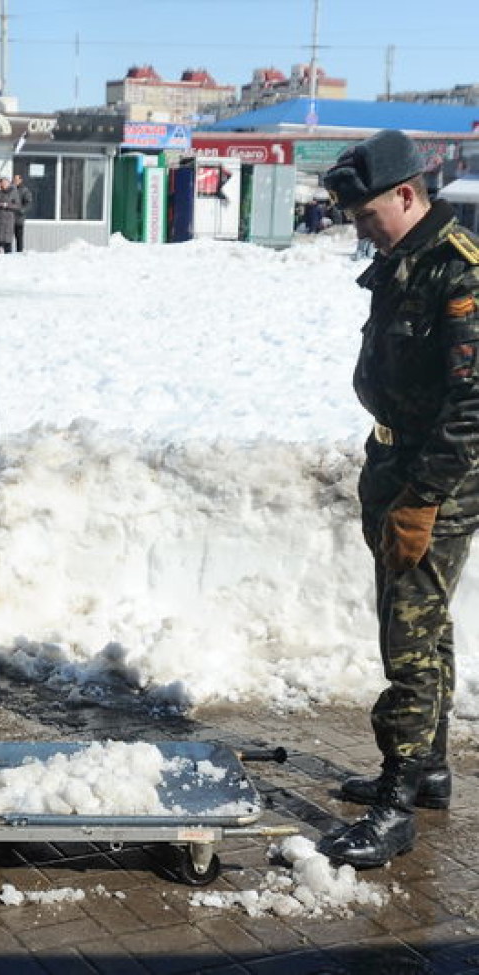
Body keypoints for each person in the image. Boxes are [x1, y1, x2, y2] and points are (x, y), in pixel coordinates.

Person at [317, 129, 479, 870]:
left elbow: (472, 404)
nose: (360, 229)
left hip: (433, 479)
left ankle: (397, 804)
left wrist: (423, 498)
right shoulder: (401, 260)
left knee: (407, 641)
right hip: (395, 463)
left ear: (406, 196)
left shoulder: (457, 270)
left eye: (366, 215)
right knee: (425, 625)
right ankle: (430, 771)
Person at [0, 175, 19, 254]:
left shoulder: (13, 192)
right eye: (1, 182)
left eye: (4, 182)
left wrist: (7, 205)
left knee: (7, 240)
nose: (2, 184)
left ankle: (8, 255)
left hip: (8, 219)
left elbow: (17, 205)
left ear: (8, 183)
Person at [12, 174, 32, 253]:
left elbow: (28, 203)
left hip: (19, 218)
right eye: (14, 179)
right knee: (8, 236)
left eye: (17, 180)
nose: (15, 181)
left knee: (19, 237)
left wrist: (22, 210)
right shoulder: (10, 188)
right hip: (10, 217)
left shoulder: (24, 190)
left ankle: (19, 252)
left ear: (21, 180)